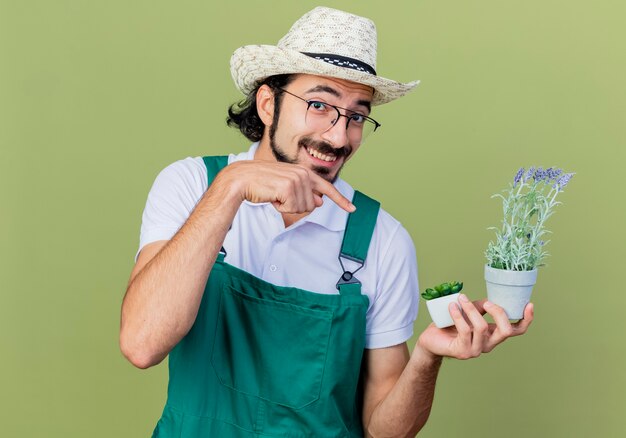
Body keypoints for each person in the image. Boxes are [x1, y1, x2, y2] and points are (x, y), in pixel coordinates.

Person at [120, 7, 534, 437]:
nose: (338, 137)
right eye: (319, 105)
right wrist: (229, 191)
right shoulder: (192, 185)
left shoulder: (382, 240)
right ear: (267, 104)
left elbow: (385, 431)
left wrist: (427, 357)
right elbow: (141, 343)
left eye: (356, 115)